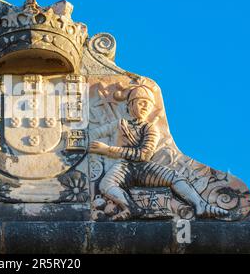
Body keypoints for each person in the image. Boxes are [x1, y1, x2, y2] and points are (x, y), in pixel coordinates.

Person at [89, 84, 229, 220]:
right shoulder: (120, 124)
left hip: (143, 167)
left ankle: (200, 205)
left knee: (175, 177)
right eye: (141, 102)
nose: (145, 106)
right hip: (123, 167)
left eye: (148, 104)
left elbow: (144, 155)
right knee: (105, 185)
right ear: (130, 104)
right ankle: (131, 208)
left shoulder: (150, 128)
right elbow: (95, 133)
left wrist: (107, 150)